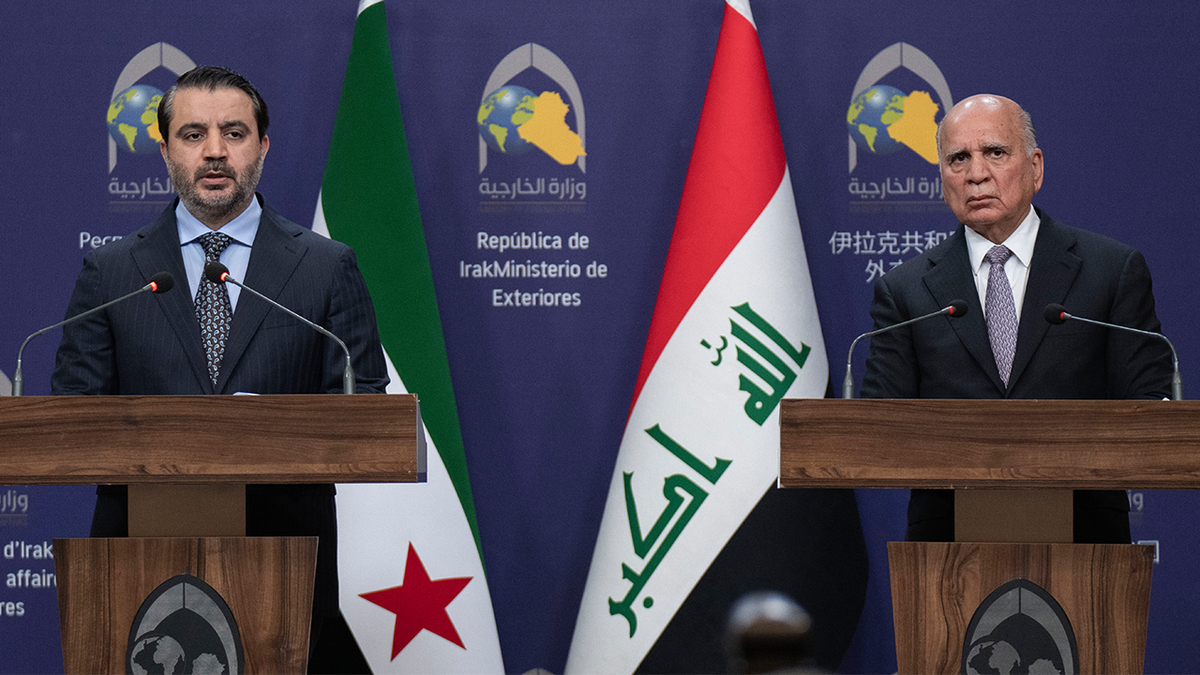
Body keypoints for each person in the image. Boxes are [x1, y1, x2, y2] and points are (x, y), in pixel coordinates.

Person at [51, 66, 388, 665]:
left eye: (234, 133)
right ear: (163, 149)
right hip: (139, 561)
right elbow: (73, 417)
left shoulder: (324, 267)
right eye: (193, 134)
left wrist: (260, 430)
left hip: (285, 559)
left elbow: (362, 405)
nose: (214, 151)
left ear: (263, 145)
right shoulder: (112, 273)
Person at [860, 94, 1172, 543]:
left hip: (1085, 542)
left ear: (1035, 168)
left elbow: (1149, 406)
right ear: (942, 178)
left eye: (995, 153)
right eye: (958, 159)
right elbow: (878, 429)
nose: (976, 173)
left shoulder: (1111, 271)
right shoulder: (905, 291)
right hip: (948, 550)